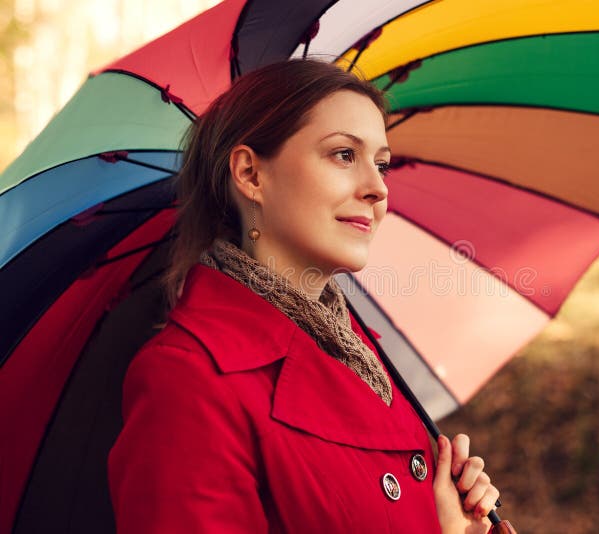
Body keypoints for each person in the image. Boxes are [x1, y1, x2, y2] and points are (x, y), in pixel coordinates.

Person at [107, 58, 503, 534]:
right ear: (251, 174)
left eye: (382, 164)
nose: (377, 188)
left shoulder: (359, 348)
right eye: (343, 155)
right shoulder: (187, 379)